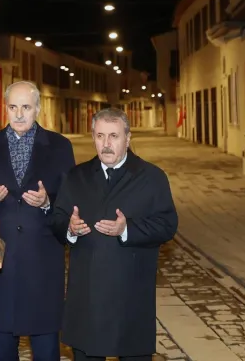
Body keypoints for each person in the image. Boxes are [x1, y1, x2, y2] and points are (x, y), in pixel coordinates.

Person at [52, 108, 179, 361]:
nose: (106, 144)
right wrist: (70, 228)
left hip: (130, 294)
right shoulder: (76, 176)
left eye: (114, 136)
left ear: (128, 138)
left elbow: (167, 224)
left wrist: (127, 229)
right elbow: (57, 219)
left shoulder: (151, 177)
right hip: (87, 295)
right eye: (100, 136)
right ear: (93, 137)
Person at [0, 81, 75, 361]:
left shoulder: (59, 146)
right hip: (1, 259)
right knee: (1, 344)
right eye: (13, 107)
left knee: (45, 346)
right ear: (5, 108)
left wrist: (47, 202)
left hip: (42, 257)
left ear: (38, 109)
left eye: (26, 107)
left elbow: (71, 198)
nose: (19, 114)